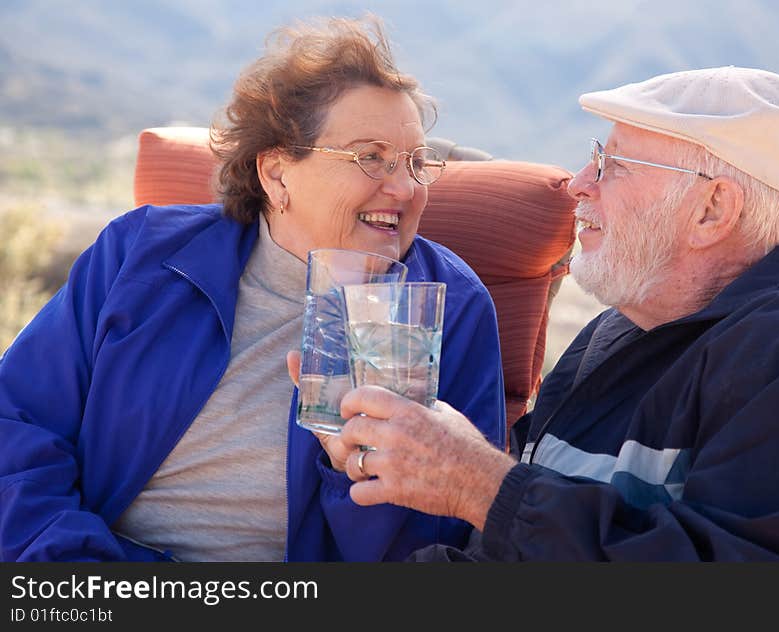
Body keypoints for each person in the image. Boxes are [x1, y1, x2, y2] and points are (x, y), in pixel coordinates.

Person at [0, 16, 505, 562]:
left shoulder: (449, 306)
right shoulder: (141, 254)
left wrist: (353, 472)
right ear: (277, 174)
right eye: (370, 157)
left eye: (415, 163)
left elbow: (431, 551)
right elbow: (17, 426)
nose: (405, 187)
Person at [332, 66, 779, 561]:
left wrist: (478, 485)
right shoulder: (621, 329)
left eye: (612, 165)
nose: (579, 184)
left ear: (712, 209)